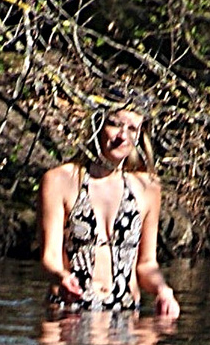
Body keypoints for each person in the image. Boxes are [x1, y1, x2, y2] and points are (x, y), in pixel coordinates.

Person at [39, 96, 181, 317]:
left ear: (140, 134)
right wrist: (61, 277)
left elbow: (146, 264)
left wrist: (163, 291)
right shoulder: (60, 180)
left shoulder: (148, 187)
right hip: (69, 311)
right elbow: (50, 257)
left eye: (132, 128)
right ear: (98, 125)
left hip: (125, 312)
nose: (122, 136)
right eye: (114, 124)